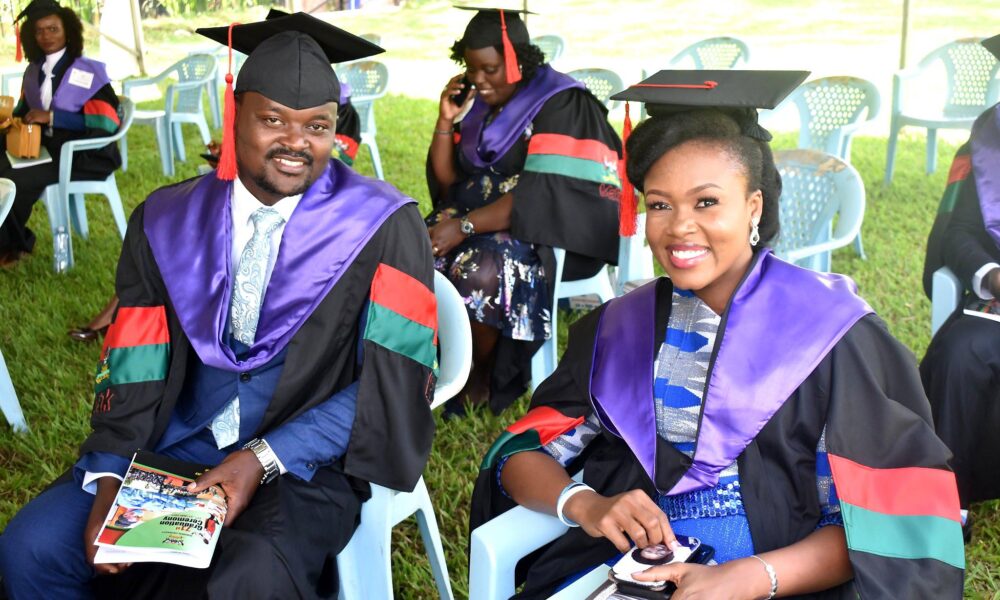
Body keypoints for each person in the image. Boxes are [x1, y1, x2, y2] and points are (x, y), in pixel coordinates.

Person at [471, 71, 965, 599]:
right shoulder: (618, 328)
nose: (679, 226)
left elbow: (893, 520)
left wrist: (752, 577)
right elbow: (519, 455)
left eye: (706, 202)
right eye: (660, 204)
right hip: (637, 572)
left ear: (753, 207)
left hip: (784, 578)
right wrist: (585, 503)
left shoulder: (835, 335)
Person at [0, 12, 436, 599]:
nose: (296, 144)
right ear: (235, 116)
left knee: (248, 576)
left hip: (304, 461)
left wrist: (261, 458)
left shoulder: (383, 226)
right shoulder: (166, 218)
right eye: (273, 120)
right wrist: (110, 477)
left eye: (318, 125)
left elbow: (394, 381)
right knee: (29, 549)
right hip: (175, 443)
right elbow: (135, 361)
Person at [427, 7, 621, 413]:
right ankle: (425, 364)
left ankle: (477, 375)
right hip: (478, 219)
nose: (478, 79)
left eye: (490, 69)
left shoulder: (563, 103)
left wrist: (462, 226)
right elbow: (448, 184)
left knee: (479, 268)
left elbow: (542, 195)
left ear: (518, 60)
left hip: (544, 234)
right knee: (409, 242)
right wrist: (445, 120)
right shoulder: (481, 103)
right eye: (471, 68)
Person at [920, 34, 1000, 512]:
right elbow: (959, 232)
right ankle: (947, 501)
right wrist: (991, 276)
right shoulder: (987, 140)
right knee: (957, 354)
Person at [0, 0, 121, 267]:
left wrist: (53, 117)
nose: (46, 36)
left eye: (53, 29)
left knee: (15, 178)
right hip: (45, 149)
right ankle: (11, 240)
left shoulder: (87, 71)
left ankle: (9, 248)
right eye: (40, 30)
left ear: (68, 30)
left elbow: (106, 122)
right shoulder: (34, 71)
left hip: (83, 155)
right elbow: (23, 111)